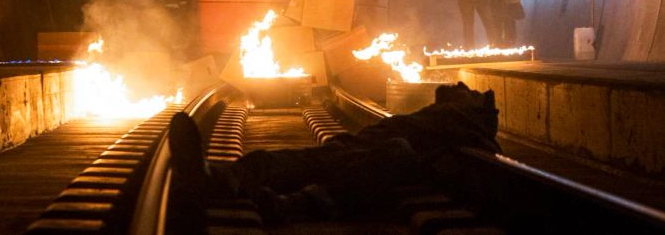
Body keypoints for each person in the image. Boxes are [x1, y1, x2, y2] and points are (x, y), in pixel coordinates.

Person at [168, 83, 500, 228]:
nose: (461, 93)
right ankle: (219, 177)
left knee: (382, 157)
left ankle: (291, 203)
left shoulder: (471, 125)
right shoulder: (452, 114)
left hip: (388, 161)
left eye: (465, 94)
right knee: (308, 159)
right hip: (366, 147)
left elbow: (472, 168)